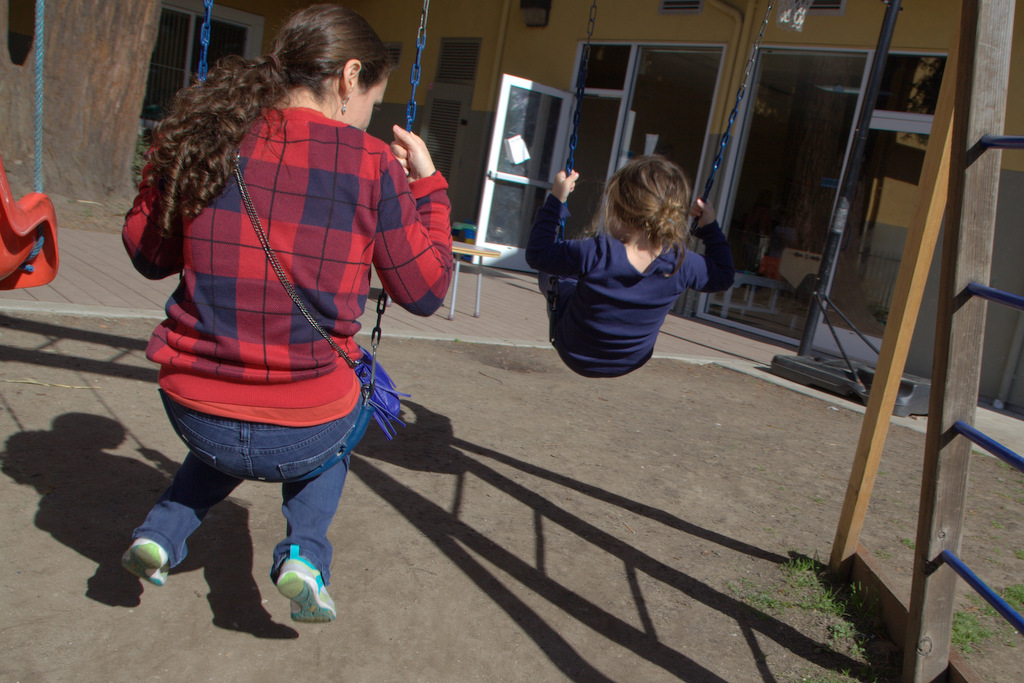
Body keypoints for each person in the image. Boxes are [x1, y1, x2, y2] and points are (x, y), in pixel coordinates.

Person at [120, 4, 452, 624]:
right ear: (349, 77)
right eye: (370, 103)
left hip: (195, 412)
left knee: (239, 413)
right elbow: (426, 291)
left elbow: (147, 253)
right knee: (349, 399)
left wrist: (165, 162)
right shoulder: (372, 163)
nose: (365, 119)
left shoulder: (211, 136)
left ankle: (160, 535)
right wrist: (428, 185)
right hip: (306, 426)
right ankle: (304, 553)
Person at [526, 155, 734, 378]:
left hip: (576, 351)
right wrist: (710, 227)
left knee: (558, 274)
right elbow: (724, 275)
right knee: (581, 272)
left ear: (617, 209)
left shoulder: (595, 251)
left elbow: (537, 253)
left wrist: (557, 200)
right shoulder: (682, 263)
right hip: (630, 360)